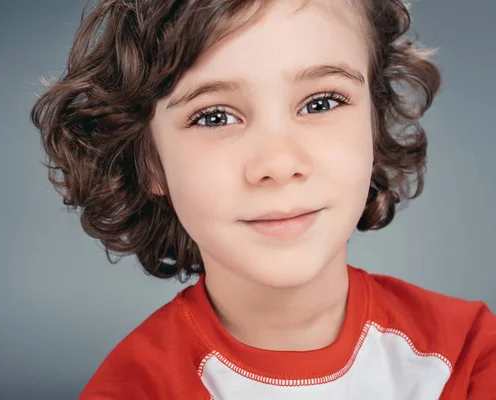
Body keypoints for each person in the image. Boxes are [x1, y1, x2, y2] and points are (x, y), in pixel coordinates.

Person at [30, 0, 496, 398]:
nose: (278, 162)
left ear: (374, 124)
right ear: (149, 162)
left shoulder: (464, 355)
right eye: (214, 116)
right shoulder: (136, 387)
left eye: (321, 103)